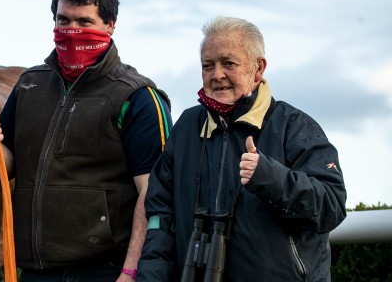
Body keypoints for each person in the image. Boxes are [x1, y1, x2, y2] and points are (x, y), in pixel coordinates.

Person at [0, 0, 172, 281]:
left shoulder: (138, 96)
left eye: (84, 22)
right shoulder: (29, 86)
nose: (72, 30)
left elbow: (154, 195)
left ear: (110, 25)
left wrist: (132, 271)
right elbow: (5, 166)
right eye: (63, 20)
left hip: (104, 272)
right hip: (36, 271)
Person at [137, 16, 346, 281]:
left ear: (258, 69)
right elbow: (160, 218)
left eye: (229, 63)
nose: (217, 75)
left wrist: (271, 178)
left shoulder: (294, 126)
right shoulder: (187, 127)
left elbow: (331, 207)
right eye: (207, 65)